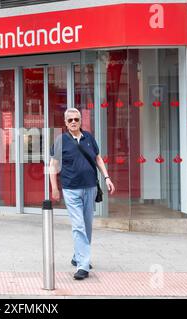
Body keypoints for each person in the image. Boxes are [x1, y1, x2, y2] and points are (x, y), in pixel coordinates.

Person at [50, 108, 115, 280]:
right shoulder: (60, 140)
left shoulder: (89, 138)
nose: (73, 122)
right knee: (78, 226)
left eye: (76, 119)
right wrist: (55, 188)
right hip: (71, 189)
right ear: (65, 123)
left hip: (90, 188)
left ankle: (77, 256)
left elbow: (98, 159)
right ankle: (83, 266)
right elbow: (53, 165)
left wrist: (107, 177)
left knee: (86, 226)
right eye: (70, 119)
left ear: (80, 121)